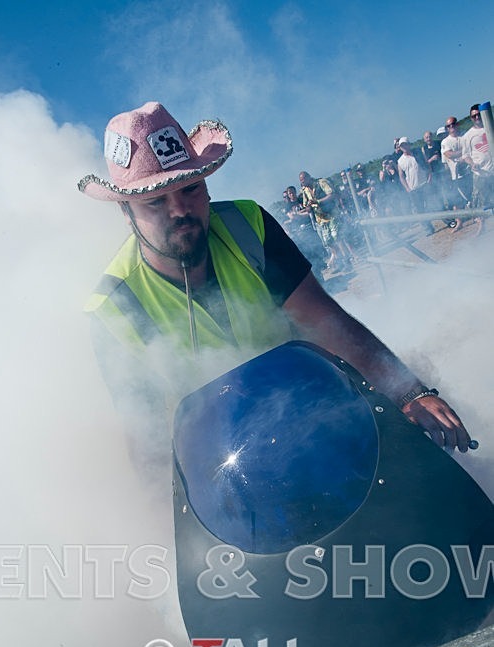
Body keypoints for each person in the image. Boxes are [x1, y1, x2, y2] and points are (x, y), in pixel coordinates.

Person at [78, 101, 472, 456]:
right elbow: (146, 439)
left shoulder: (247, 224)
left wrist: (409, 391)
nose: (180, 209)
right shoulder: (114, 309)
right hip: (228, 463)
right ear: (126, 212)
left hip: (313, 410)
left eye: (191, 188)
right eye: (155, 200)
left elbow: (325, 320)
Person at [461, 103, 494, 233]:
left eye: (478, 115)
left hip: (493, 170)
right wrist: (472, 164)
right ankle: (481, 227)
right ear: (471, 118)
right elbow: (465, 156)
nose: (477, 117)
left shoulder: (490, 127)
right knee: (480, 202)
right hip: (480, 174)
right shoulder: (468, 136)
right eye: (473, 116)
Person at [396, 136, 435, 234]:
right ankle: (428, 229)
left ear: (409, 145)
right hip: (413, 189)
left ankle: (448, 220)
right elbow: (401, 176)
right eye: (402, 145)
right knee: (420, 210)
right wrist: (407, 189)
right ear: (400, 148)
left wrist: (429, 177)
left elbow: (427, 165)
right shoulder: (400, 161)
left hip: (425, 184)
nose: (404, 147)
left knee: (435, 203)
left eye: (405, 144)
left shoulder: (418, 154)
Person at [441, 117, 466, 231]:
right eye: (449, 126)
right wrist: (464, 152)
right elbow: (449, 155)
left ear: (457, 124)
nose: (451, 127)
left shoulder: (464, 136)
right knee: (457, 201)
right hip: (456, 175)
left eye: (453, 124)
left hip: (469, 171)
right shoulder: (445, 142)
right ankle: (459, 222)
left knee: (472, 197)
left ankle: (478, 218)